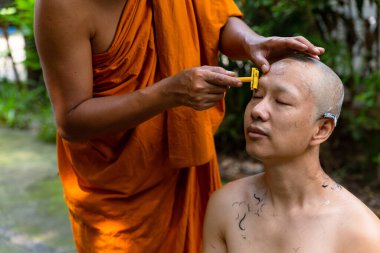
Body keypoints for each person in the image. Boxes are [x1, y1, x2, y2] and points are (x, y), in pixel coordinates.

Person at [34, 0, 325, 252]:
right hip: (118, 186)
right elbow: (71, 119)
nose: (260, 111)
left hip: (186, 165)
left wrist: (251, 42)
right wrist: (168, 93)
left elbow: (213, 18)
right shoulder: (61, 7)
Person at [202, 55, 380, 253]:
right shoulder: (226, 205)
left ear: (321, 130)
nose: (258, 110)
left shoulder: (360, 233)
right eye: (257, 95)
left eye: (282, 101)